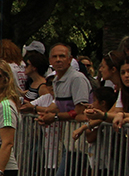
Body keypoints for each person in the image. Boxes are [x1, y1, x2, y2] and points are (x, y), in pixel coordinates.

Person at [37, 43, 90, 176]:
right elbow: (58, 105)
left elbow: (80, 111)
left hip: (81, 139)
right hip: (68, 138)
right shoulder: (56, 80)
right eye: (55, 57)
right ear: (50, 60)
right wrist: (42, 112)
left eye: (62, 56)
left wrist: (55, 117)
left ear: (70, 59)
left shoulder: (77, 78)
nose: (58, 60)